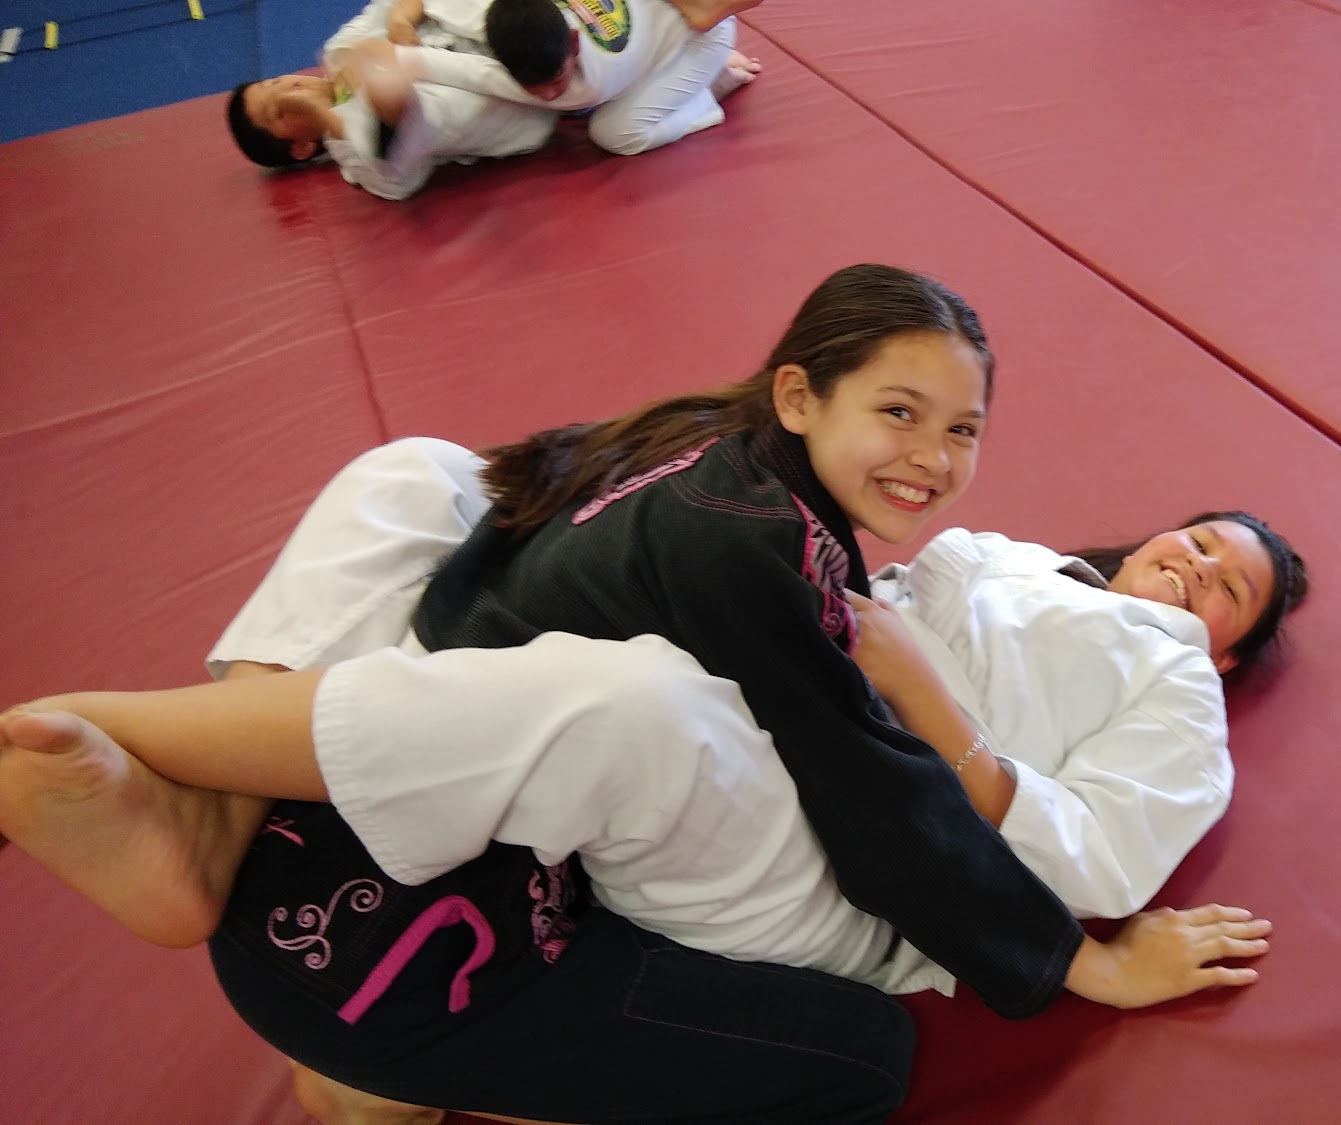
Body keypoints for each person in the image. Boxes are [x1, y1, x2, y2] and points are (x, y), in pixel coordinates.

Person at [0, 264, 1272, 1125]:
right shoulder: (994, 556)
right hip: (768, 753)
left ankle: (165, 744)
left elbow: (1075, 850)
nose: (1199, 568)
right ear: (799, 397)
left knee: (641, 702)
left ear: (1224, 654)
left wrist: (1063, 931)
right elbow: (781, 622)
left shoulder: (1175, 689)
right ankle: (229, 796)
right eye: (1200, 538)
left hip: (854, 855)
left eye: (1229, 589)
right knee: (420, 473)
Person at [224, 0, 758, 198]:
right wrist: (329, 111)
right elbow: (395, 177)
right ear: (299, 147)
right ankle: (704, 84)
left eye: (276, 83)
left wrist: (402, 17)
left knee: (596, 103)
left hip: (519, 43)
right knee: (614, 129)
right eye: (278, 110)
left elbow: (389, 16)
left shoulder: (339, 51)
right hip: (502, 91)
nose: (290, 89)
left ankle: (699, 60)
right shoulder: (353, 156)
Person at [399, 0, 761, 156]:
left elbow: (474, 75)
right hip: (660, 25)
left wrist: (398, 57)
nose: (549, 94)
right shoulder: (500, 14)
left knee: (615, 134)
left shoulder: (584, 86)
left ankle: (708, 90)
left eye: (556, 78)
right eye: (532, 85)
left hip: (701, 42)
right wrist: (399, 20)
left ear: (573, 44)